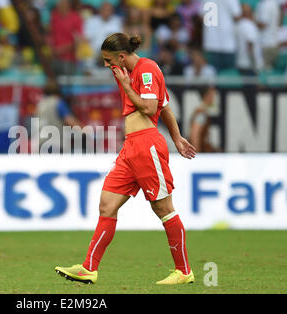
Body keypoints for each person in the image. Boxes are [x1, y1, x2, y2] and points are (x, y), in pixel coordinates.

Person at [55, 33, 196, 285]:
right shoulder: (127, 72)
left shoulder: (146, 70)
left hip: (147, 145)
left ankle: (184, 271)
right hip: (130, 147)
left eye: (108, 60)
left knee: (163, 209)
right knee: (106, 205)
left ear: (121, 56)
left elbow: (153, 108)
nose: (107, 65)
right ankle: (89, 268)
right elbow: (164, 106)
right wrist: (177, 138)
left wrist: (174, 137)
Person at [188, 86, 220, 153]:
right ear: (206, 96)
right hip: (200, 154)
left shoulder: (202, 111)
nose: (213, 98)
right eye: (212, 95)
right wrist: (197, 156)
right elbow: (194, 135)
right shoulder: (201, 113)